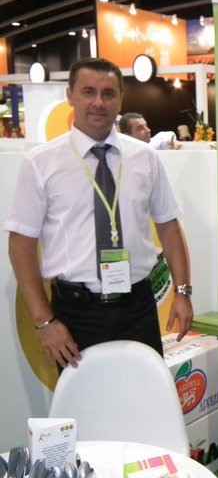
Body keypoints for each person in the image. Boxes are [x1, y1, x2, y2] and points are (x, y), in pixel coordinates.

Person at [4, 57, 193, 370]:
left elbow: (168, 227)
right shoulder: (40, 163)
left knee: (144, 394)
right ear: (70, 95)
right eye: (88, 91)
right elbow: (20, 245)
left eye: (108, 93)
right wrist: (44, 322)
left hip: (138, 307)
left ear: (121, 99)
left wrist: (183, 292)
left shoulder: (144, 158)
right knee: (84, 399)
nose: (98, 102)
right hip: (75, 314)